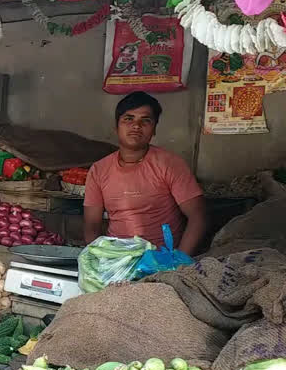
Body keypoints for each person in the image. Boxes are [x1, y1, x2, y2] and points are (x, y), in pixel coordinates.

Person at [84, 91, 207, 255]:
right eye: (128, 119)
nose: (136, 126)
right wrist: (102, 259)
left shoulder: (170, 164)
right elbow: (92, 225)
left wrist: (179, 263)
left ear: (154, 129)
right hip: (117, 260)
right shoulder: (99, 170)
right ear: (116, 127)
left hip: (162, 259)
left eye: (145, 121)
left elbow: (198, 217)